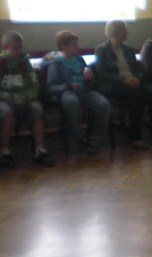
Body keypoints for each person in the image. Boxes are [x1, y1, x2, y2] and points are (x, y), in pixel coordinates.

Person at [95, 20, 152, 150]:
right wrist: (123, 80)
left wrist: (137, 77)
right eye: (124, 30)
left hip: (133, 80)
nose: (127, 33)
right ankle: (135, 137)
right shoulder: (102, 50)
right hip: (115, 84)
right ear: (116, 32)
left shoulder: (128, 49)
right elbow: (102, 73)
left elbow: (138, 67)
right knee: (135, 97)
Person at [46, 30, 110, 155]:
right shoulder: (56, 63)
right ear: (64, 46)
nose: (77, 47)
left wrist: (89, 77)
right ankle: (78, 136)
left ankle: (94, 137)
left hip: (84, 90)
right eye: (74, 44)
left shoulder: (80, 60)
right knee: (72, 102)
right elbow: (51, 87)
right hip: (67, 92)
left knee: (103, 104)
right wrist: (69, 86)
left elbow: (91, 84)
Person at [0, 31, 54, 167]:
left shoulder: (25, 63)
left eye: (20, 47)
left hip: (24, 98)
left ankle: (39, 149)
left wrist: (26, 96)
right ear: (6, 47)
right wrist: (9, 96)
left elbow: (33, 84)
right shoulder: (2, 62)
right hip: (5, 100)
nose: (18, 51)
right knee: (7, 113)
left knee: (36, 109)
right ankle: (5, 151)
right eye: (14, 48)